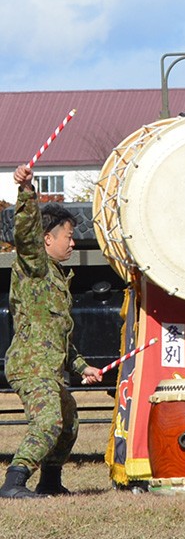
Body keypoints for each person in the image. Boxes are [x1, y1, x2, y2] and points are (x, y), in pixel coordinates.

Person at [3, 165, 100, 499]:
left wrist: (82, 366)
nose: (73, 242)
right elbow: (26, 233)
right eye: (67, 236)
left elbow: (60, 337)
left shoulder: (57, 279)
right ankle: (14, 483)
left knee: (69, 422)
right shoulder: (34, 266)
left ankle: (50, 482)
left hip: (50, 368)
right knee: (48, 422)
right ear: (48, 239)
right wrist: (27, 191)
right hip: (31, 367)